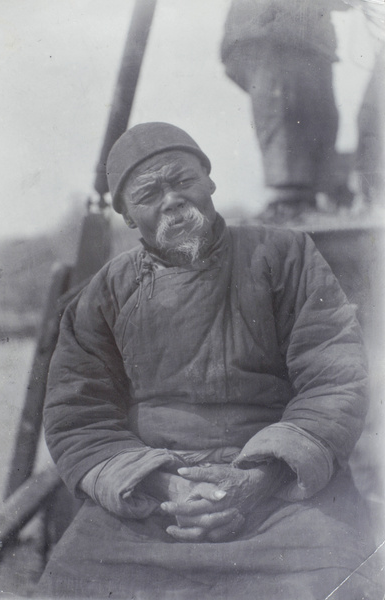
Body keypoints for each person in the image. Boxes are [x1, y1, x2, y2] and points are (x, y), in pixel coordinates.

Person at [38, 122, 382, 599]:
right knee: (70, 587)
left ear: (209, 182)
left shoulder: (285, 255)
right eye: (150, 193)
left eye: (183, 181)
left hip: (281, 491)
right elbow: (77, 417)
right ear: (129, 218)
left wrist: (257, 480)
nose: (173, 200)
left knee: (343, 581)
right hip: (153, 496)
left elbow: (335, 381)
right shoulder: (104, 294)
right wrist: (166, 488)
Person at [221, 0, 351, 222]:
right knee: (282, 103)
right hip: (266, 29)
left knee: (317, 110)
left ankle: (307, 195)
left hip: (310, 35)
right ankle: (290, 199)